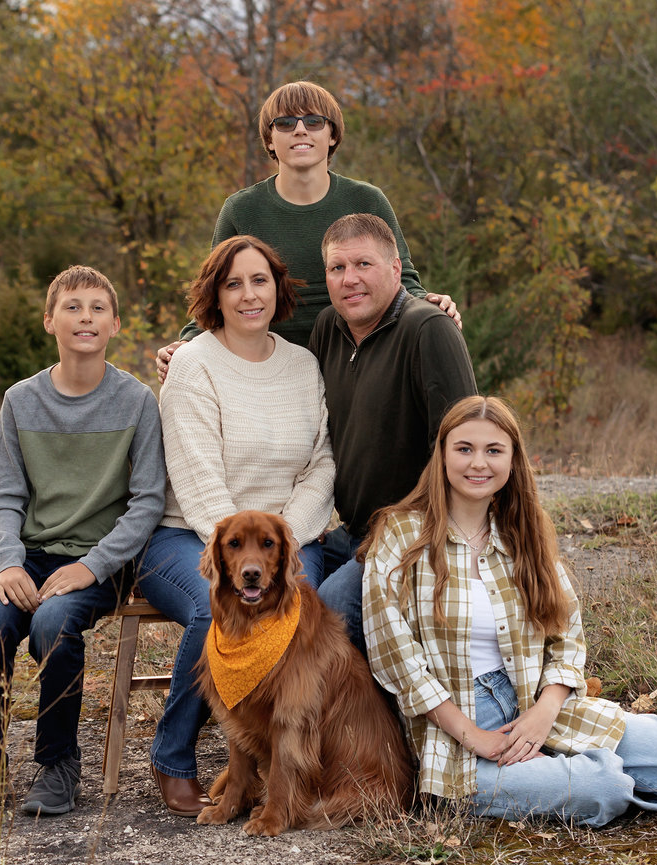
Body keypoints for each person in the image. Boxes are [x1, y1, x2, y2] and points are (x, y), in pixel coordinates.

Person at [363, 396, 657, 825]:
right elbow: (394, 657)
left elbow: (567, 636)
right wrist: (474, 737)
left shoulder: (521, 533)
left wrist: (543, 716)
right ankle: (583, 781)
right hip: (455, 726)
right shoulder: (401, 534)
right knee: (603, 789)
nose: (478, 463)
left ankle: (563, 764)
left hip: (531, 701)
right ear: (442, 453)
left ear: (512, 460)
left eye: (494, 450)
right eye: (464, 448)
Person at [0, 266, 166, 820]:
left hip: (98, 561)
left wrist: (93, 566)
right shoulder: (21, 400)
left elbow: (147, 501)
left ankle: (58, 766)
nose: (86, 317)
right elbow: (5, 496)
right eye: (73, 306)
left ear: (116, 324)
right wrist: (8, 563)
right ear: (49, 321)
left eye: (98, 308)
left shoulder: (136, 401)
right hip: (30, 556)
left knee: (53, 624)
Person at [136, 235, 335, 817]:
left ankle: (263, 761)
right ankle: (173, 757)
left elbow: (323, 462)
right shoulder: (194, 364)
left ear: (279, 289)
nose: (249, 295)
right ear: (214, 296)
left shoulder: (303, 366)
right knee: (215, 605)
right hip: (191, 538)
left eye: (260, 281)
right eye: (233, 283)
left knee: (301, 609)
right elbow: (198, 483)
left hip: (282, 544)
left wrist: (281, 545)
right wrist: (240, 556)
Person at [156, 80, 459, 378]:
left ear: (332, 135)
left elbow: (400, 276)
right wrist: (186, 342)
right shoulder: (241, 209)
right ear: (270, 140)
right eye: (285, 123)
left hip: (358, 360)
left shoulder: (367, 200)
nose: (300, 129)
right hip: (269, 367)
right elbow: (216, 292)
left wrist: (429, 303)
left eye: (314, 121)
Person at [311, 213, 478, 654]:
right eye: (337, 268)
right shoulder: (328, 329)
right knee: (277, 582)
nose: (350, 279)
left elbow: (464, 452)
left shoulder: (428, 330)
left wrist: (418, 534)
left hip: (415, 533)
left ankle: (373, 721)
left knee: (332, 607)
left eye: (363, 264)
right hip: (352, 532)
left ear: (394, 268)